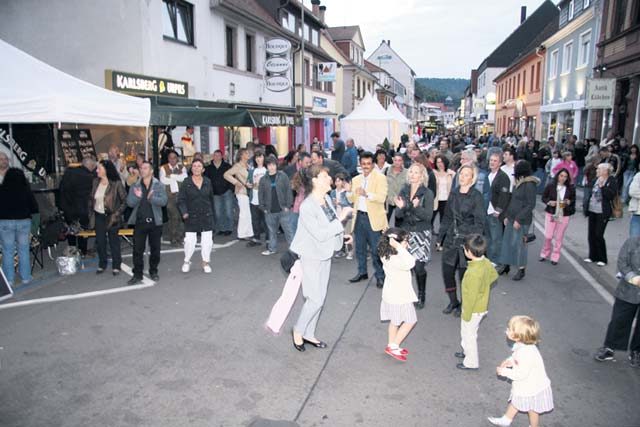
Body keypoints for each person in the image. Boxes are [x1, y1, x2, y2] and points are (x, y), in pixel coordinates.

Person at [290, 165, 350, 352]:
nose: (330, 179)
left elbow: (330, 224)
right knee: (314, 298)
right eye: (325, 176)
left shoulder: (325, 199)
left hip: (325, 252)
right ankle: (298, 331)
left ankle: (309, 333)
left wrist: (343, 235)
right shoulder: (308, 206)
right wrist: (342, 219)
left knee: (320, 297)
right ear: (315, 180)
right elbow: (320, 233)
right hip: (311, 255)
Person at [489, 315, 554, 427]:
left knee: (532, 409)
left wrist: (504, 372)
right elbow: (516, 357)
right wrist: (509, 361)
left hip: (533, 387)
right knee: (516, 401)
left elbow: (521, 374)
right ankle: (506, 419)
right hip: (527, 385)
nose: (507, 330)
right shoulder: (522, 345)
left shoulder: (527, 353)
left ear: (518, 336)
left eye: (510, 329)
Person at [438, 165, 485, 316]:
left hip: (467, 241)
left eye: (467, 175)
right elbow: (446, 217)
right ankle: (453, 302)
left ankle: (464, 305)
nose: (463, 177)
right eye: (461, 174)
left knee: (464, 276)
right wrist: (440, 237)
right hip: (452, 238)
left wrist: (472, 241)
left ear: (473, 179)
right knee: (447, 272)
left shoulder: (476, 196)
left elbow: (479, 222)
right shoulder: (454, 193)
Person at [594, 236, 640, 367]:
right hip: (628, 289)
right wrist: (633, 278)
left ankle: (636, 351)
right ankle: (609, 347)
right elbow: (622, 262)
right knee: (619, 319)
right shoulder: (632, 242)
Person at [455, 234, 498, 370]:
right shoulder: (484, 262)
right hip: (479, 307)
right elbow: (494, 275)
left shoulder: (473, 273)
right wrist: (484, 287)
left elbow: (471, 297)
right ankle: (466, 352)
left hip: (473, 309)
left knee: (469, 335)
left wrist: (466, 313)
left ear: (469, 252)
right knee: (468, 332)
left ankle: (471, 362)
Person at [394, 163, 434, 309]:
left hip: (421, 233)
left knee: (418, 268)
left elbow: (428, 216)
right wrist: (403, 207)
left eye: (416, 172)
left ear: (422, 175)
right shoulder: (404, 190)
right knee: (406, 267)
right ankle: (407, 294)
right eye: (410, 172)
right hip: (406, 232)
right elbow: (398, 214)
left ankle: (421, 294)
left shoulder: (427, 193)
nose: (412, 175)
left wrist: (413, 207)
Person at [348, 152, 389, 288]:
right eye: (363, 164)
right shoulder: (356, 179)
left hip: (373, 219)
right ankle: (362, 272)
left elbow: (382, 198)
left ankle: (380, 276)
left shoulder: (380, 178)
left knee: (376, 250)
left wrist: (367, 194)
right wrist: (349, 192)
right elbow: (353, 199)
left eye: (368, 164)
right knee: (359, 249)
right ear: (360, 164)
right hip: (359, 217)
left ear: (373, 164)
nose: (366, 166)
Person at [377, 228, 417, 362]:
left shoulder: (385, 254)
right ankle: (394, 345)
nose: (407, 244)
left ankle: (391, 345)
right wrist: (400, 247)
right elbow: (411, 262)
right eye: (406, 241)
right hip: (400, 296)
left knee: (394, 322)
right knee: (410, 320)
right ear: (395, 243)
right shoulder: (397, 257)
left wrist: (398, 246)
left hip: (391, 295)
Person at [126, 161, 168, 285]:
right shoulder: (135, 185)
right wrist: (137, 196)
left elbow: (164, 201)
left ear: (151, 171)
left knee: (155, 249)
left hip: (155, 222)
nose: (142, 170)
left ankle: (153, 271)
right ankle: (137, 274)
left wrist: (151, 198)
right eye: (141, 168)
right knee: (137, 250)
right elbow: (130, 203)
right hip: (140, 222)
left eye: (145, 168)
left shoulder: (158, 185)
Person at [496, 160, 539, 281]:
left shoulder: (529, 184)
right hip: (511, 217)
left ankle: (521, 269)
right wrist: (507, 216)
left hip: (522, 220)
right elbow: (512, 201)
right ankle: (506, 265)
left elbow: (530, 204)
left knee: (520, 245)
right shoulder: (519, 182)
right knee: (508, 243)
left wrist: (518, 219)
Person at [0, 168, 38, 286]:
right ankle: (26, 277)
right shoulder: (26, 190)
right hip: (23, 222)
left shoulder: (1, 190)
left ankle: (9, 280)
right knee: (23, 250)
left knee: (7, 251)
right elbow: (34, 208)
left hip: (5, 222)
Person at [88, 160, 127, 276]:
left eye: (99, 168)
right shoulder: (95, 182)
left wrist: (117, 214)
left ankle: (116, 265)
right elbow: (91, 198)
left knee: (114, 241)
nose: (97, 170)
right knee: (100, 241)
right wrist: (90, 213)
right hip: (98, 215)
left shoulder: (116, 183)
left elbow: (125, 201)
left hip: (112, 216)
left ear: (106, 170)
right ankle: (102, 263)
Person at [178, 159, 214, 274]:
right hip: (191, 215)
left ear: (203, 169)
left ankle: (205, 262)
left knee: (207, 241)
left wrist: (213, 215)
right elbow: (181, 200)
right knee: (189, 241)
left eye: (199, 166)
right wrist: (184, 212)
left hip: (206, 215)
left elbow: (211, 199)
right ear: (191, 168)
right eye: (194, 166)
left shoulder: (208, 181)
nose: (197, 168)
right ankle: (187, 261)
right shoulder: (186, 182)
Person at [59, 155, 97, 256]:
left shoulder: (68, 173)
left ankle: (72, 251)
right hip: (82, 210)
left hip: (68, 208)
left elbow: (61, 190)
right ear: (91, 166)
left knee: (71, 232)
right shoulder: (89, 177)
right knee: (82, 233)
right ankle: (82, 252)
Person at [539, 169, 576, 265]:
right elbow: (543, 197)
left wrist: (568, 202)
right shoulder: (551, 186)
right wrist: (549, 202)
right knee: (548, 236)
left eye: (565, 176)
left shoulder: (570, 188)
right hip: (551, 213)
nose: (563, 178)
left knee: (559, 237)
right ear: (557, 176)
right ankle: (545, 253)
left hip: (564, 214)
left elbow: (573, 200)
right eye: (561, 176)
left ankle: (555, 256)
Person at [258, 155, 294, 256]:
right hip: (269, 210)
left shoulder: (283, 176)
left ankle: (293, 250)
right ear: (267, 166)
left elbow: (288, 190)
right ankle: (272, 248)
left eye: (273, 165)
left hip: (283, 209)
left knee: (288, 230)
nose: (272, 167)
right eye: (269, 165)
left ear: (276, 165)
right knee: (271, 232)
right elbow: (260, 194)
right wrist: (263, 208)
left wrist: (288, 205)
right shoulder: (263, 179)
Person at [584, 163, 617, 266]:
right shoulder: (595, 180)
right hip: (592, 209)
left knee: (599, 234)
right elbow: (590, 193)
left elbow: (611, 195)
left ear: (605, 171)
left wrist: (603, 187)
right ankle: (592, 256)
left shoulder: (611, 180)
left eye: (599, 169)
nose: (597, 170)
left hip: (602, 211)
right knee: (591, 234)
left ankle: (602, 258)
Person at [483, 152, 511, 264]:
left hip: (495, 212)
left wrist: (498, 210)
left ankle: (497, 261)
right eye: (491, 160)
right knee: (488, 238)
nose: (492, 162)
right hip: (486, 211)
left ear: (500, 163)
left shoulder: (503, 177)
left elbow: (504, 195)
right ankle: (490, 259)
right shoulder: (487, 175)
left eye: (495, 161)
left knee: (496, 239)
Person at [224, 148, 253, 240]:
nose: (248, 154)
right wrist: (236, 182)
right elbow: (226, 174)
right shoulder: (238, 166)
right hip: (241, 191)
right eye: (246, 153)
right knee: (244, 213)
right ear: (241, 155)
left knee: (247, 213)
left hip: (249, 191)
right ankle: (242, 234)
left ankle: (248, 232)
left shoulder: (248, 165)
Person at [160, 151, 187, 246]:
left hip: (180, 196)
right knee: (174, 216)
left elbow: (184, 178)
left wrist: (171, 176)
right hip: (169, 196)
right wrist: (177, 178)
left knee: (180, 217)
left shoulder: (182, 167)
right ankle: (174, 238)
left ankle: (179, 237)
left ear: (177, 158)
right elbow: (163, 180)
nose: (172, 159)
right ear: (168, 159)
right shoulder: (163, 168)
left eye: (174, 157)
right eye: (170, 157)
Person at [204, 150, 234, 236]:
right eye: (215, 155)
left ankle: (229, 228)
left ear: (222, 156)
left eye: (218, 155)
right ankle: (222, 228)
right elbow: (206, 180)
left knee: (228, 212)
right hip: (215, 193)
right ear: (213, 156)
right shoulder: (208, 168)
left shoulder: (227, 166)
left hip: (227, 192)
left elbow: (233, 177)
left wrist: (231, 189)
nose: (217, 157)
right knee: (218, 213)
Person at [247, 149, 267, 248]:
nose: (259, 159)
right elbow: (248, 181)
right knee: (255, 220)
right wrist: (248, 184)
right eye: (257, 157)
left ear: (264, 158)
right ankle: (256, 238)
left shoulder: (266, 170)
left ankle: (269, 240)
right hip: (254, 198)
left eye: (261, 156)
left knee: (266, 221)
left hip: (264, 200)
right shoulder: (252, 171)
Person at [331, 173, 354, 259]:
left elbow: (350, 204)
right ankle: (341, 250)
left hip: (347, 216)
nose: (337, 183)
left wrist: (339, 203)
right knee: (339, 234)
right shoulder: (333, 192)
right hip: (337, 215)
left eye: (339, 181)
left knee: (347, 234)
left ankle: (350, 251)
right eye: (336, 181)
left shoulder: (346, 192)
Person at [432, 154, 456, 232]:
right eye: (438, 162)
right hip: (435, 200)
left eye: (441, 162)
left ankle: (442, 240)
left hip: (447, 200)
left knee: (444, 221)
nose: (440, 164)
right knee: (431, 219)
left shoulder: (451, 173)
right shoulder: (433, 173)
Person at [385, 154, 407, 227]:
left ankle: (397, 238)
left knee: (398, 225)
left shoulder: (407, 173)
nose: (397, 162)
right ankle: (384, 238)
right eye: (395, 160)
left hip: (400, 201)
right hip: (388, 201)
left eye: (399, 160)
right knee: (384, 224)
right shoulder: (386, 171)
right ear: (393, 161)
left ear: (402, 162)